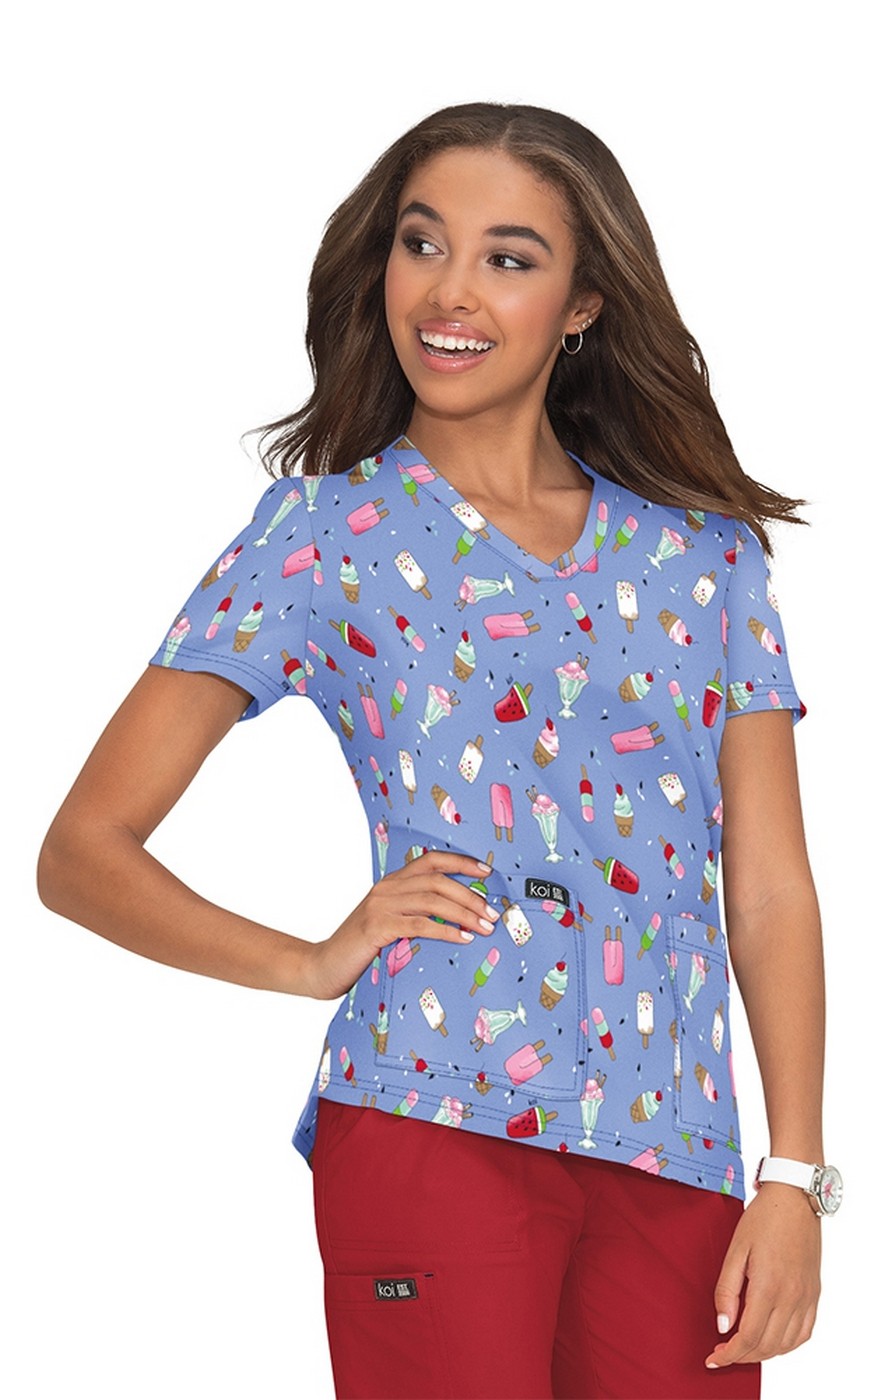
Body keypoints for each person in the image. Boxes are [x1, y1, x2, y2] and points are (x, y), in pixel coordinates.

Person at [38, 102, 835, 1399]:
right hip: (430, 1119)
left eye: (508, 258)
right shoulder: (321, 534)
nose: (450, 291)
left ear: (583, 304)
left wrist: (793, 1177)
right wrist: (307, 963)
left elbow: (769, 886)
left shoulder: (704, 558)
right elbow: (83, 850)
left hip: (676, 1149)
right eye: (422, 245)